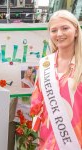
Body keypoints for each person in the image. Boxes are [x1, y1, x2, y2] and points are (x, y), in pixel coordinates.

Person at [30, 10, 82, 150]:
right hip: (47, 140)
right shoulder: (44, 64)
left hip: (77, 140)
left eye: (65, 28)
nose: (59, 34)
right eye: (54, 30)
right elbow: (37, 103)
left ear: (76, 31)